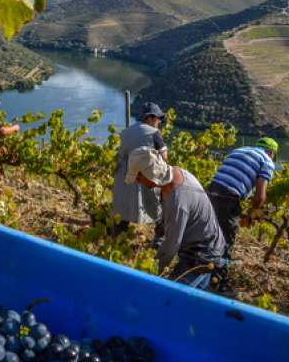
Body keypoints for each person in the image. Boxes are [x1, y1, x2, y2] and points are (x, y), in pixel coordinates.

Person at [125, 147, 234, 297]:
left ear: (150, 173)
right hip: (206, 246)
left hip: (202, 255)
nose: (138, 181)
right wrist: (156, 243)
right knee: (196, 302)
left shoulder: (177, 201)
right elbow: (165, 225)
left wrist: (153, 273)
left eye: (138, 176)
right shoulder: (176, 174)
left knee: (170, 297)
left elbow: (171, 246)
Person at [206, 137, 278, 258]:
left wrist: (247, 195)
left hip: (210, 192)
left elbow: (229, 179)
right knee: (224, 241)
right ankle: (218, 275)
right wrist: (255, 209)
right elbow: (260, 196)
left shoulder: (239, 150)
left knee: (207, 233)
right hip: (227, 200)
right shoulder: (267, 161)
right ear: (271, 152)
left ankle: (196, 267)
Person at [111, 102, 168, 236]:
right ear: (149, 118)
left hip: (123, 176)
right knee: (159, 208)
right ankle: (159, 241)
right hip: (144, 176)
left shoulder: (126, 131)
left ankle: (117, 240)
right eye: (158, 118)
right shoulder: (154, 133)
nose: (159, 121)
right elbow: (164, 158)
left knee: (122, 208)